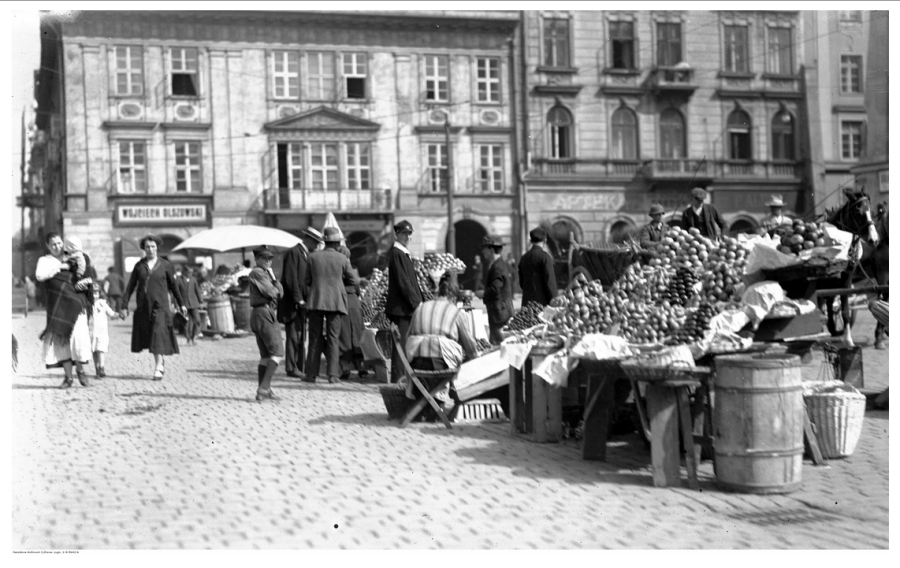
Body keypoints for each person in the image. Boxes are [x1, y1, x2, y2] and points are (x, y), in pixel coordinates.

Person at [404, 274, 479, 405]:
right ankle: (448, 399)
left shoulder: (420, 308)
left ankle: (428, 404)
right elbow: (471, 349)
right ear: (453, 299)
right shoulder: (456, 312)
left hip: (415, 362)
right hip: (440, 364)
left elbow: (407, 337)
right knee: (462, 362)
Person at [120, 234, 187, 380]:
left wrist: (181, 304)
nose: (150, 249)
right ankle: (160, 361)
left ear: (157, 248)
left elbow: (173, 287)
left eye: (153, 247)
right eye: (147, 247)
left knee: (157, 334)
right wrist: (124, 306)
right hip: (144, 307)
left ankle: (158, 366)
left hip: (161, 306)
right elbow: (130, 286)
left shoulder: (165, 265)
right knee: (151, 335)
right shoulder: (139, 266)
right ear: (143, 249)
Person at [35, 232, 94, 388]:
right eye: (53, 244)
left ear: (63, 243)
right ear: (48, 246)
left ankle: (81, 371)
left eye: (59, 243)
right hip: (58, 306)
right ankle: (68, 377)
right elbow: (40, 276)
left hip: (76, 305)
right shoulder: (45, 260)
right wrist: (57, 268)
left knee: (78, 339)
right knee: (62, 342)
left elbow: (86, 275)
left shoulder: (74, 257)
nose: (57, 247)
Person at [305, 227, 359, 384]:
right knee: (333, 338)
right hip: (335, 302)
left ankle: (311, 374)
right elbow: (354, 280)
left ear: (325, 242)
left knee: (314, 338)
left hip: (316, 301)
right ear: (337, 243)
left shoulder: (312, 257)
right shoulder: (342, 259)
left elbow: (306, 281)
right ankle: (333, 375)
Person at [277, 227, 323, 379]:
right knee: (293, 337)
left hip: (302, 303)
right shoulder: (294, 252)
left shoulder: (305, 254)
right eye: (316, 242)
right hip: (293, 303)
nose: (317, 246)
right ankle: (291, 367)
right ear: (308, 240)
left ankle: (299, 366)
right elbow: (290, 279)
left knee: (301, 337)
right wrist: (299, 299)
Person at [384, 220, 424, 383]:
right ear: (397, 234)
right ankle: (398, 380)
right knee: (401, 346)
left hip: (405, 308)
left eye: (409, 234)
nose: (408, 237)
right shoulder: (397, 253)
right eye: (404, 234)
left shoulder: (402, 253)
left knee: (404, 345)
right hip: (401, 309)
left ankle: (402, 379)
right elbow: (404, 282)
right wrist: (417, 303)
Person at [248, 246, 284, 402]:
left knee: (266, 356)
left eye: (270, 259)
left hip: (262, 312)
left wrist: (274, 279)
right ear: (256, 259)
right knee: (278, 353)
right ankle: (264, 387)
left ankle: (264, 390)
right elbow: (273, 293)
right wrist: (275, 286)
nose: (268, 261)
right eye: (264, 258)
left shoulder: (266, 273)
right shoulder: (257, 272)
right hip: (264, 313)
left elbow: (279, 293)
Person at [476, 234, 514, 345]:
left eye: (484, 248)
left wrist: (483, 293)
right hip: (499, 312)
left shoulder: (497, 266)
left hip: (499, 313)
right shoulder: (497, 264)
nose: (483, 251)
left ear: (491, 250)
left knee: (499, 343)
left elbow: (495, 288)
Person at [338, 245, 366, 380]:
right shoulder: (351, 269)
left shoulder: (336, 268)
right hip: (354, 303)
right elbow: (357, 287)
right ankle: (361, 366)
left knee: (343, 335)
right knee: (357, 334)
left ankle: (345, 367)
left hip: (341, 302)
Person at [518, 227, 558, 307]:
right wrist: (554, 299)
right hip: (542, 304)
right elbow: (550, 282)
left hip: (527, 304)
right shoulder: (545, 257)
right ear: (545, 241)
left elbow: (522, 283)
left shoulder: (523, 258)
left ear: (531, 241)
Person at [89, 284, 121, 378]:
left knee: (100, 350)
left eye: (96, 293)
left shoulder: (102, 304)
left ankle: (102, 367)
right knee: (94, 351)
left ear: (99, 293)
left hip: (101, 332)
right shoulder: (87, 304)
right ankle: (97, 368)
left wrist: (119, 314)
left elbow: (111, 313)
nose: (94, 295)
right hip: (91, 332)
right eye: (92, 293)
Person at [177, 265, 204, 345]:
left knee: (198, 321)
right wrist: (177, 304)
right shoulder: (179, 280)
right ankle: (188, 339)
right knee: (186, 323)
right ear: (184, 272)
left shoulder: (193, 279)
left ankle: (194, 337)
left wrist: (200, 301)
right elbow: (176, 293)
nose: (190, 274)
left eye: (191, 273)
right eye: (188, 272)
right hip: (184, 305)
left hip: (194, 304)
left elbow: (197, 290)